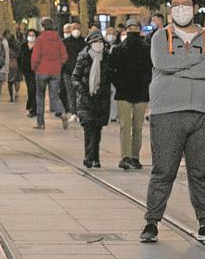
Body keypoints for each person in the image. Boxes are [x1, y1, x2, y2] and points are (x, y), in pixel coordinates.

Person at [140, 0, 205, 245]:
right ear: (169, 8)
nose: (180, 9)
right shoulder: (159, 37)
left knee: (200, 172)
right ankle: (151, 222)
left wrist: (180, 67)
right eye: (175, 4)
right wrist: (195, 62)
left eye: (185, 4)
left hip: (202, 112)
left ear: (196, 7)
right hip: (166, 112)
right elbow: (162, 64)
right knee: (163, 170)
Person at [109, 19, 151, 169]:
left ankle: (134, 156)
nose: (132, 31)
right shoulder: (119, 49)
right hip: (126, 92)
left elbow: (150, 71)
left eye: (135, 28)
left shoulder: (146, 49)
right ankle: (127, 156)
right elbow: (111, 70)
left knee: (136, 127)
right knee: (126, 126)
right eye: (130, 28)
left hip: (137, 92)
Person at [71, 30, 112, 168]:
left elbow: (110, 76)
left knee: (97, 129)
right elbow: (75, 77)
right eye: (95, 42)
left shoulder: (106, 57)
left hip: (101, 99)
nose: (98, 44)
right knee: (89, 128)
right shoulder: (83, 57)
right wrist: (83, 90)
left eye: (100, 42)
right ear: (90, 44)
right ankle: (89, 157)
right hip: (86, 99)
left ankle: (96, 157)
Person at [31, 18, 69, 130]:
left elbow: (35, 56)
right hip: (55, 71)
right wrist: (58, 65)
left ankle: (41, 123)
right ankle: (61, 112)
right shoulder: (58, 39)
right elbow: (64, 56)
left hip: (41, 70)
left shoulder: (40, 39)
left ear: (43, 27)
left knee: (40, 97)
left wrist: (34, 68)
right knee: (54, 96)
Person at [61, 23, 84, 117]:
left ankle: (79, 112)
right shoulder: (65, 42)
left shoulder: (84, 42)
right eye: (74, 28)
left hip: (81, 73)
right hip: (68, 72)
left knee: (80, 93)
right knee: (70, 93)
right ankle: (73, 112)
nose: (76, 30)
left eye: (78, 28)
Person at [20, 29, 38, 117]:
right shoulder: (23, 46)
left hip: (36, 71)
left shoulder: (38, 46)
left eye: (33, 35)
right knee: (30, 90)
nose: (31, 36)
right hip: (26, 71)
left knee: (33, 89)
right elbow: (20, 57)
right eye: (29, 35)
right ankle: (31, 106)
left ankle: (33, 108)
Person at [6, 29, 22, 103]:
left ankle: (11, 97)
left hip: (9, 65)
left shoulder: (7, 48)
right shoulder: (18, 47)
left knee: (9, 82)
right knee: (17, 81)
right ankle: (16, 93)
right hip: (17, 65)